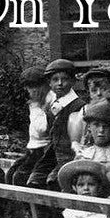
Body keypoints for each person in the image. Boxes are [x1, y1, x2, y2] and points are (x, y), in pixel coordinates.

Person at [28, 59, 85, 189]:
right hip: (52, 154)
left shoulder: (79, 107)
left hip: (69, 156)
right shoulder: (53, 105)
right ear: (49, 83)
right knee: (30, 179)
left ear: (72, 81)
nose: (59, 83)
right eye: (55, 80)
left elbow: (79, 142)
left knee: (53, 182)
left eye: (64, 79)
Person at [5, 66, 52, 190]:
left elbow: (43, 129)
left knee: (20, 177)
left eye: (31, 87)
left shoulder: (51, 103)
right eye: (27, 87)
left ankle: (29, 209)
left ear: (41, 86)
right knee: (11, 173)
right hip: (33, 149)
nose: (29, 91)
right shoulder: (34, 104)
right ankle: (18, 208)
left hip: (44, 150)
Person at [68, 65, 110, 146]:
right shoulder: (85, 110)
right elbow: (77, 139)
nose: (99, 94)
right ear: (89, 92)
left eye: (104, 89)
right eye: (94, 90)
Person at [73, 97, 110, 164]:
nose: (101, 130)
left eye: (106, 126)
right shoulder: (83, 155)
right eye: (96, 125)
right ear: (89, 127)